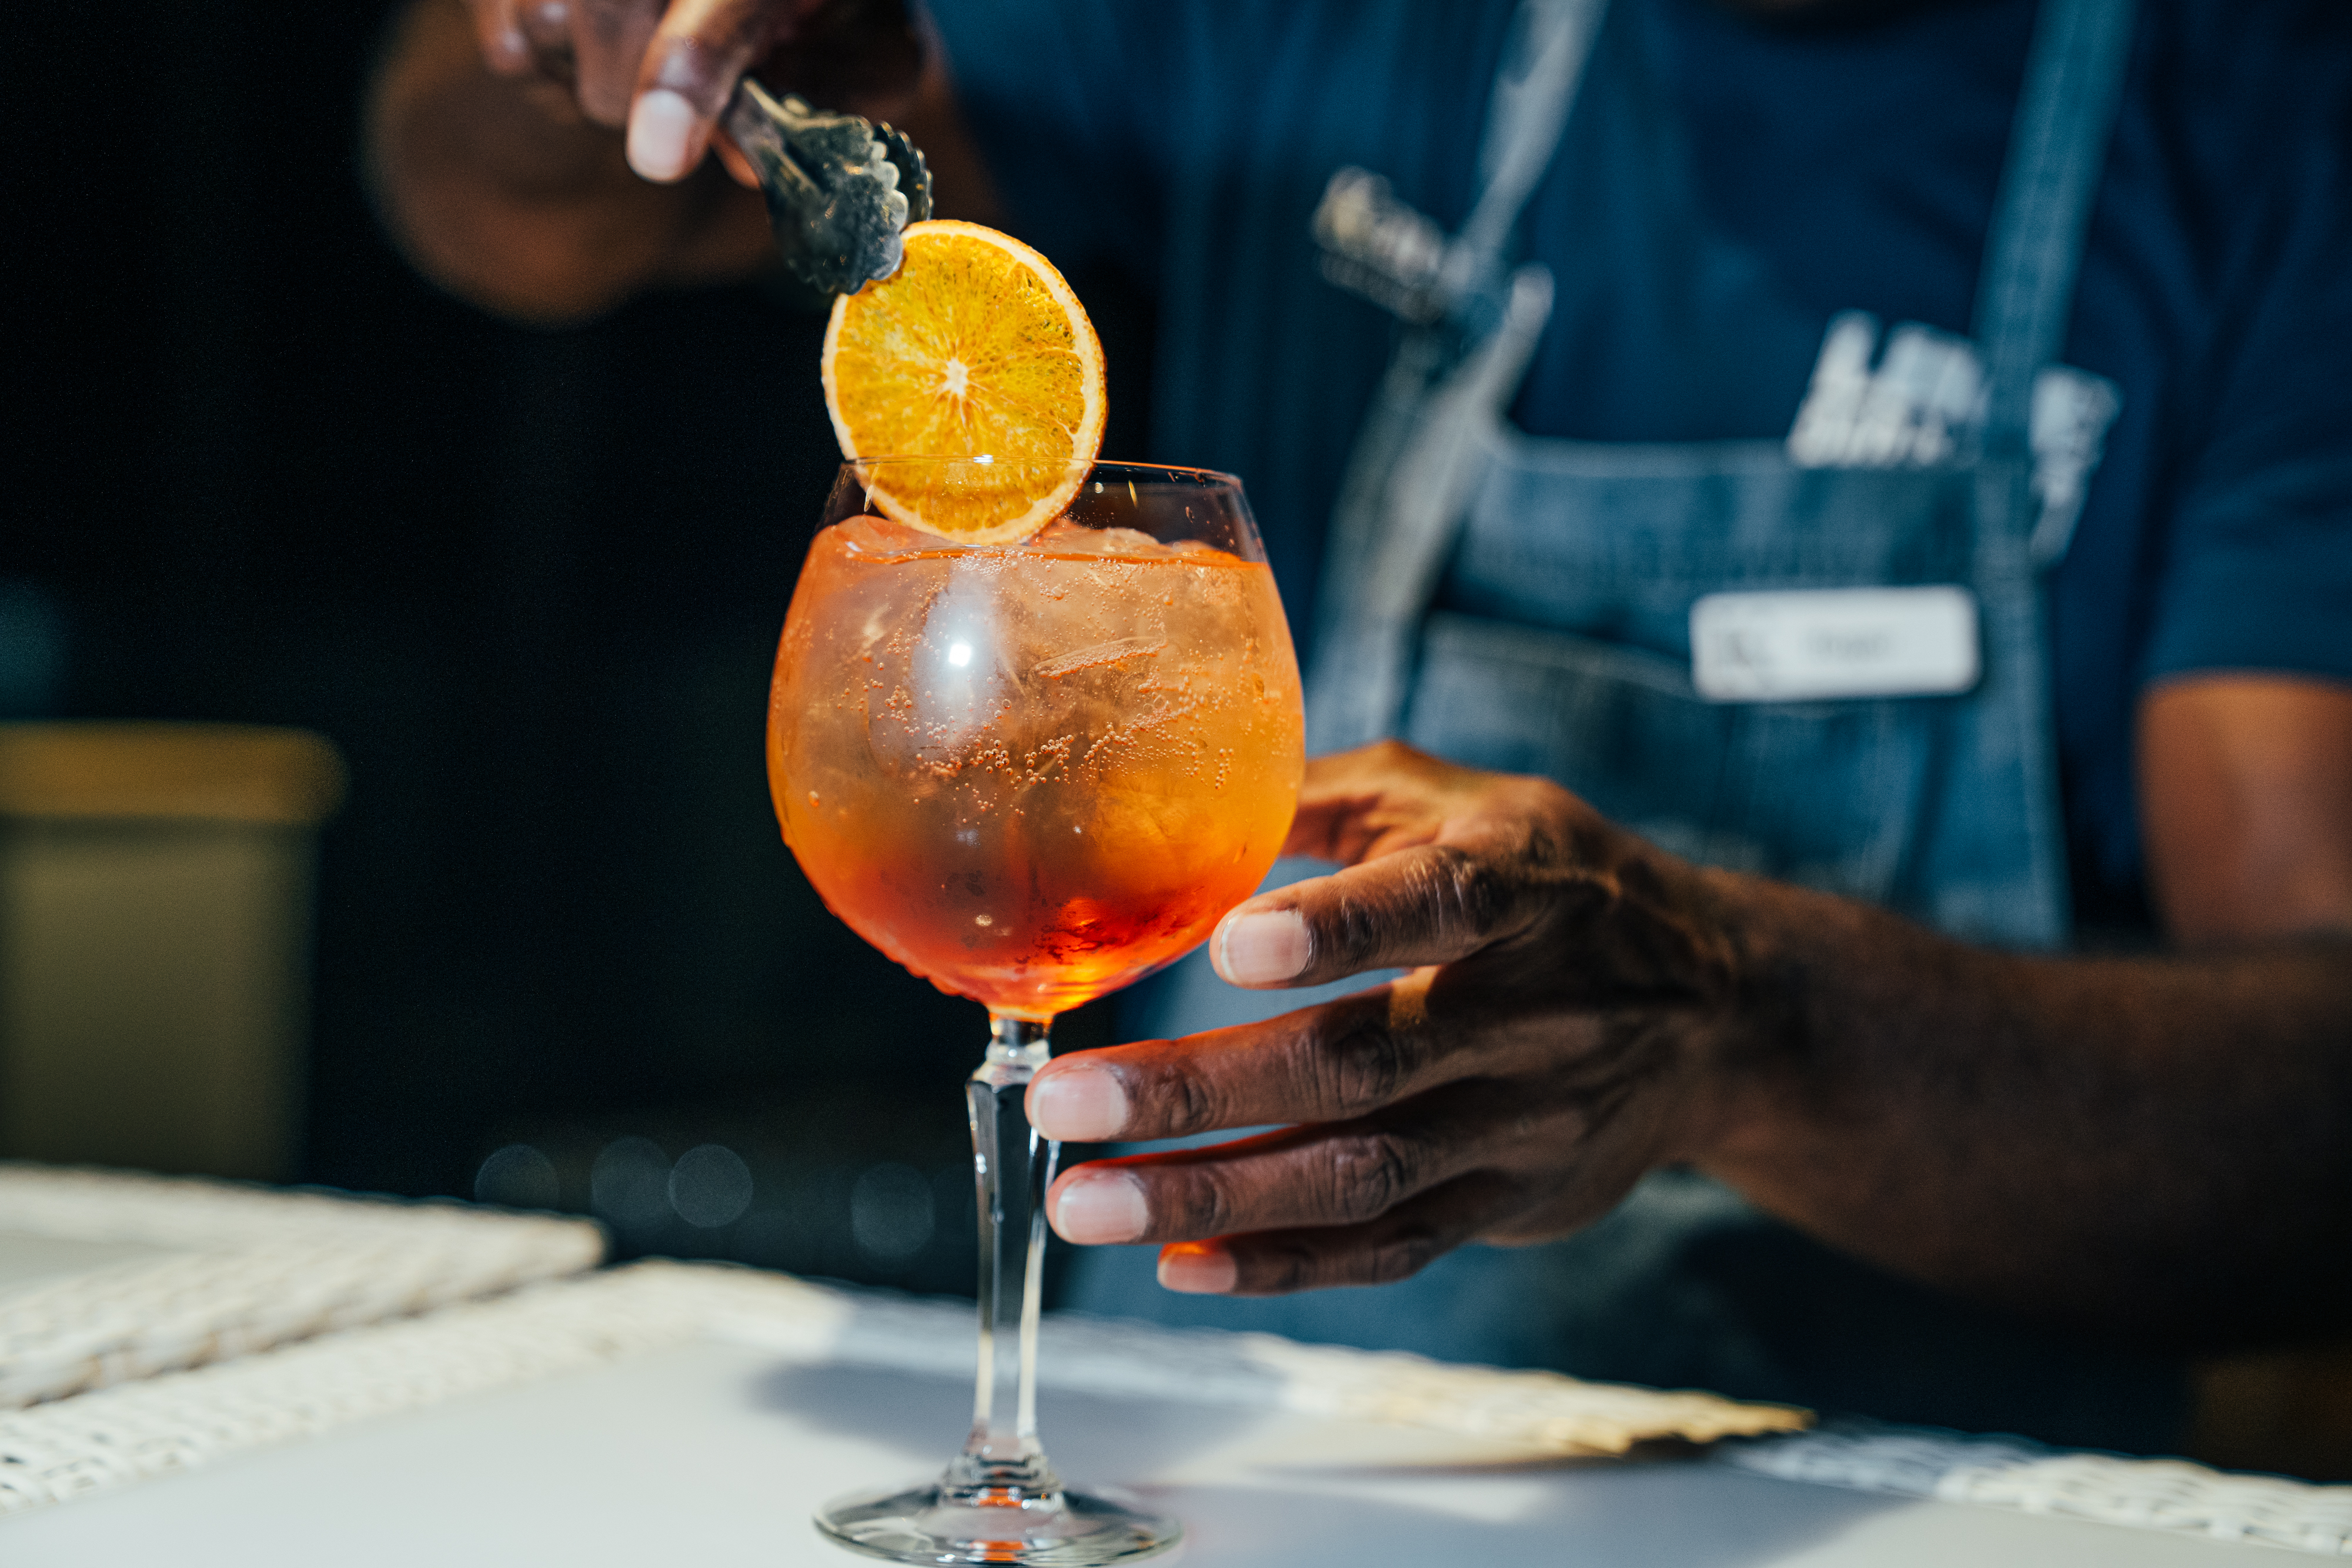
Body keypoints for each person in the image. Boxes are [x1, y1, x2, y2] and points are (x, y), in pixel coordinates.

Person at [368, 0, 2352, 1451]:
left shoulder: (2267, 127)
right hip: (1239, 1470)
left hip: (1912, 1494)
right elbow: (502, 211)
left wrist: (1750, 1015)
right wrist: (575, 47)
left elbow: (2312, 1121)